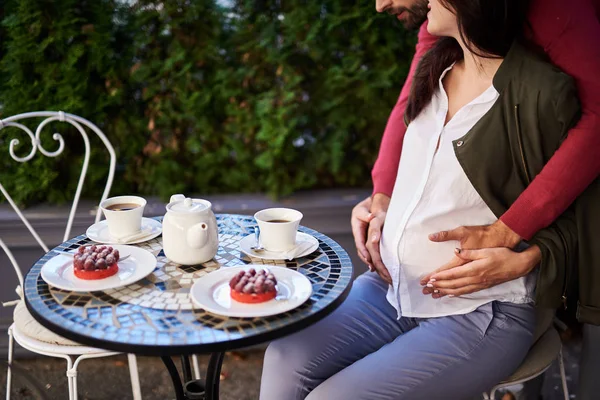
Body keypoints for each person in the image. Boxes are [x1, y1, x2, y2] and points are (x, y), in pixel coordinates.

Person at [260, 1, 590, 398]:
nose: (382, 4)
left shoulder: (539, 92)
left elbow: (583, 206)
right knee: (283, 358)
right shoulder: (434, 67)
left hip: (478, 309)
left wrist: (524, 247)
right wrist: (382, 200)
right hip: (390, 289)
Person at [352, 1, 600, 398]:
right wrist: (383, 194)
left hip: (491, 306)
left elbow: (595, 126)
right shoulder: (444, 42)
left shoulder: (557, 19)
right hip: (400, 293)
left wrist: (511, 234)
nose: (381, 4)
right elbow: (410, 107)